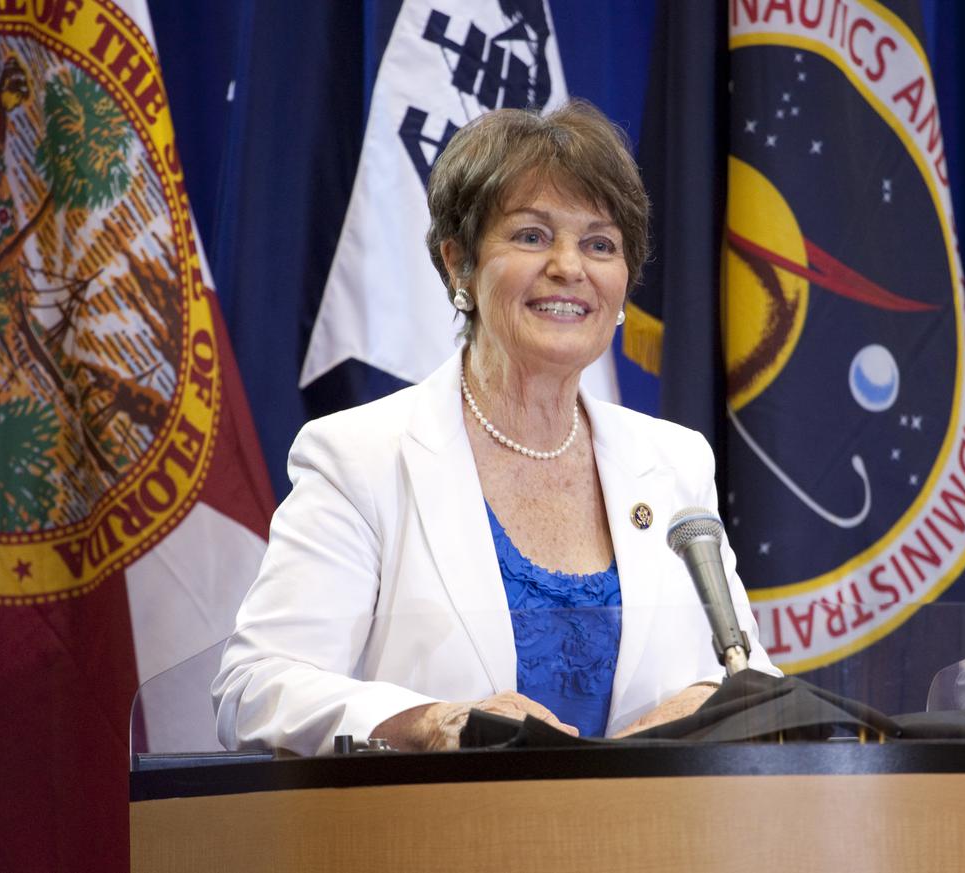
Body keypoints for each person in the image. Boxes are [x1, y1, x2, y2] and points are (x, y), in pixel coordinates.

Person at [213, 101, 777, 756]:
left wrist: (716, 702)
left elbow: (751, 673)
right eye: (532, 236)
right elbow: (255, 686)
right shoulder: (361, 458)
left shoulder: (675, 461)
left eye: (600, 244)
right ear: (459, 266)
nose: (570, 266)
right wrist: (430, 721)